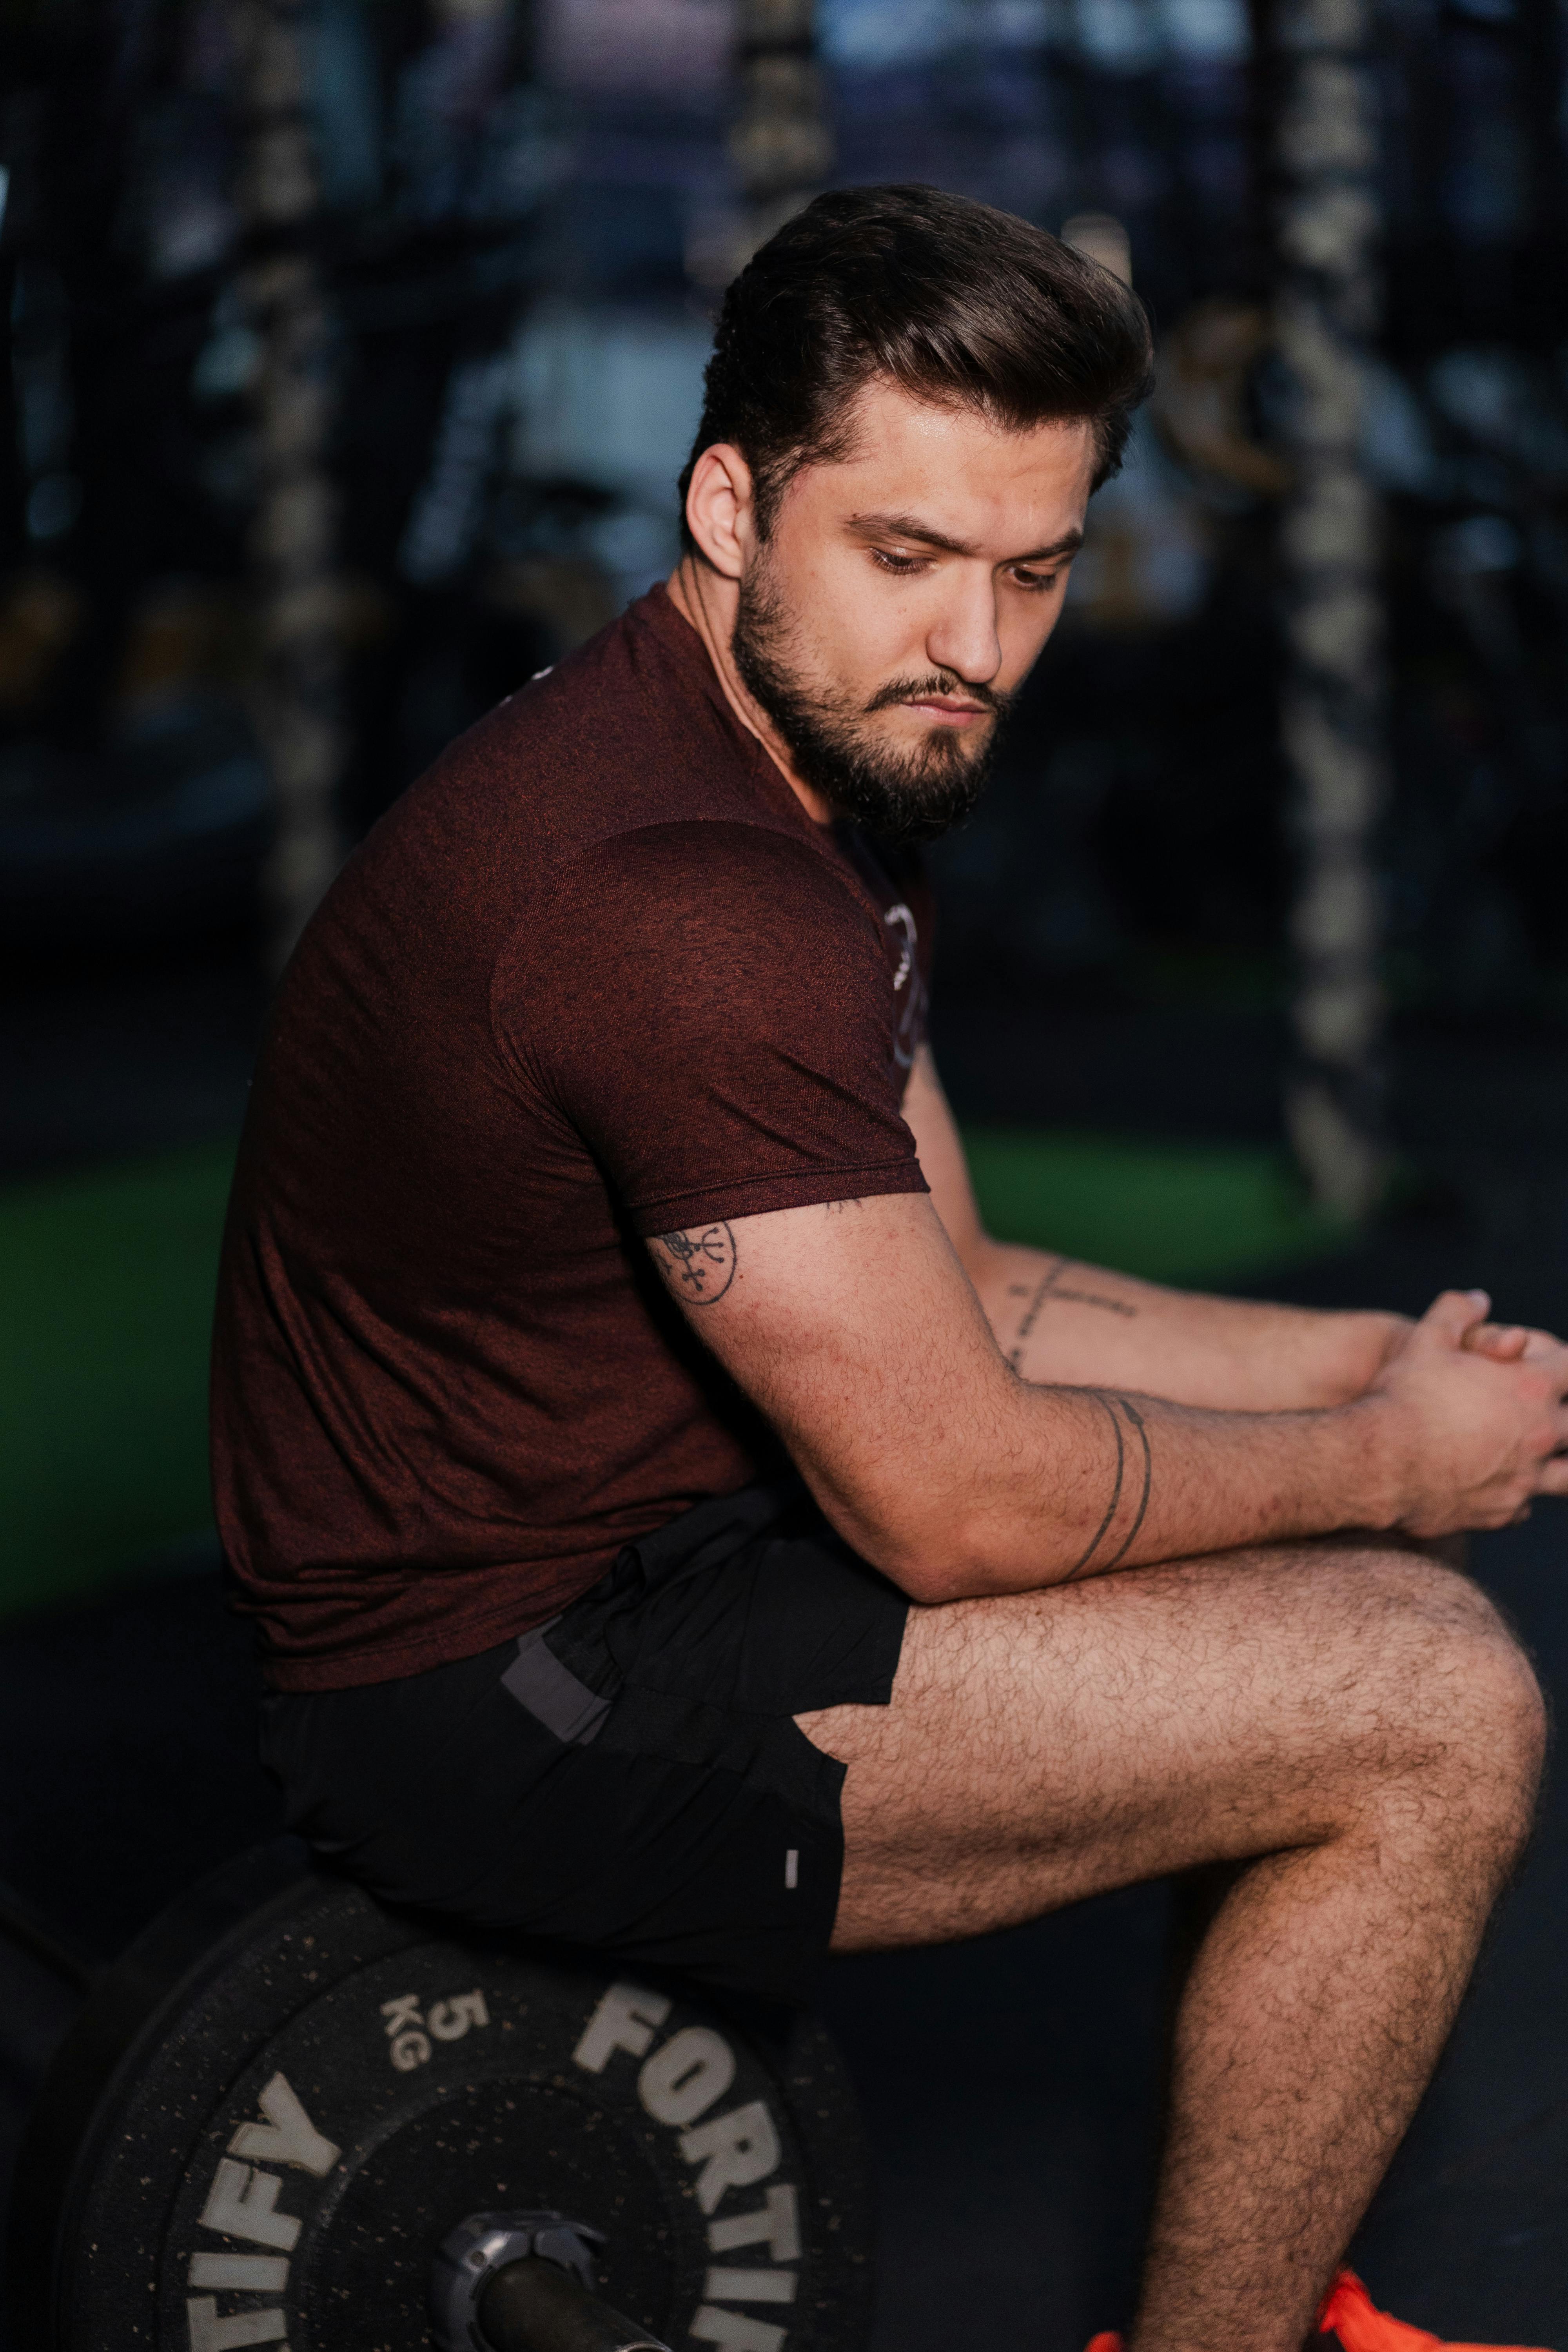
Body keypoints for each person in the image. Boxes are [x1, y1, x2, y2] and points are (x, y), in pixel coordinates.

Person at [211, 185, 1565, 2352]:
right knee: (1432, 1698)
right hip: (505, 1695)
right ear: (731, 504)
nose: (978, 648)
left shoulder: (789, 759)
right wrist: (1399, 1459)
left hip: (645, 1570)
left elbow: (966, 1281)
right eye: (909, 555)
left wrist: (1357, 1363)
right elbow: (954, 1500)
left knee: (1373, 1589)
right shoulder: (683, 902)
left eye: (1034, 572)